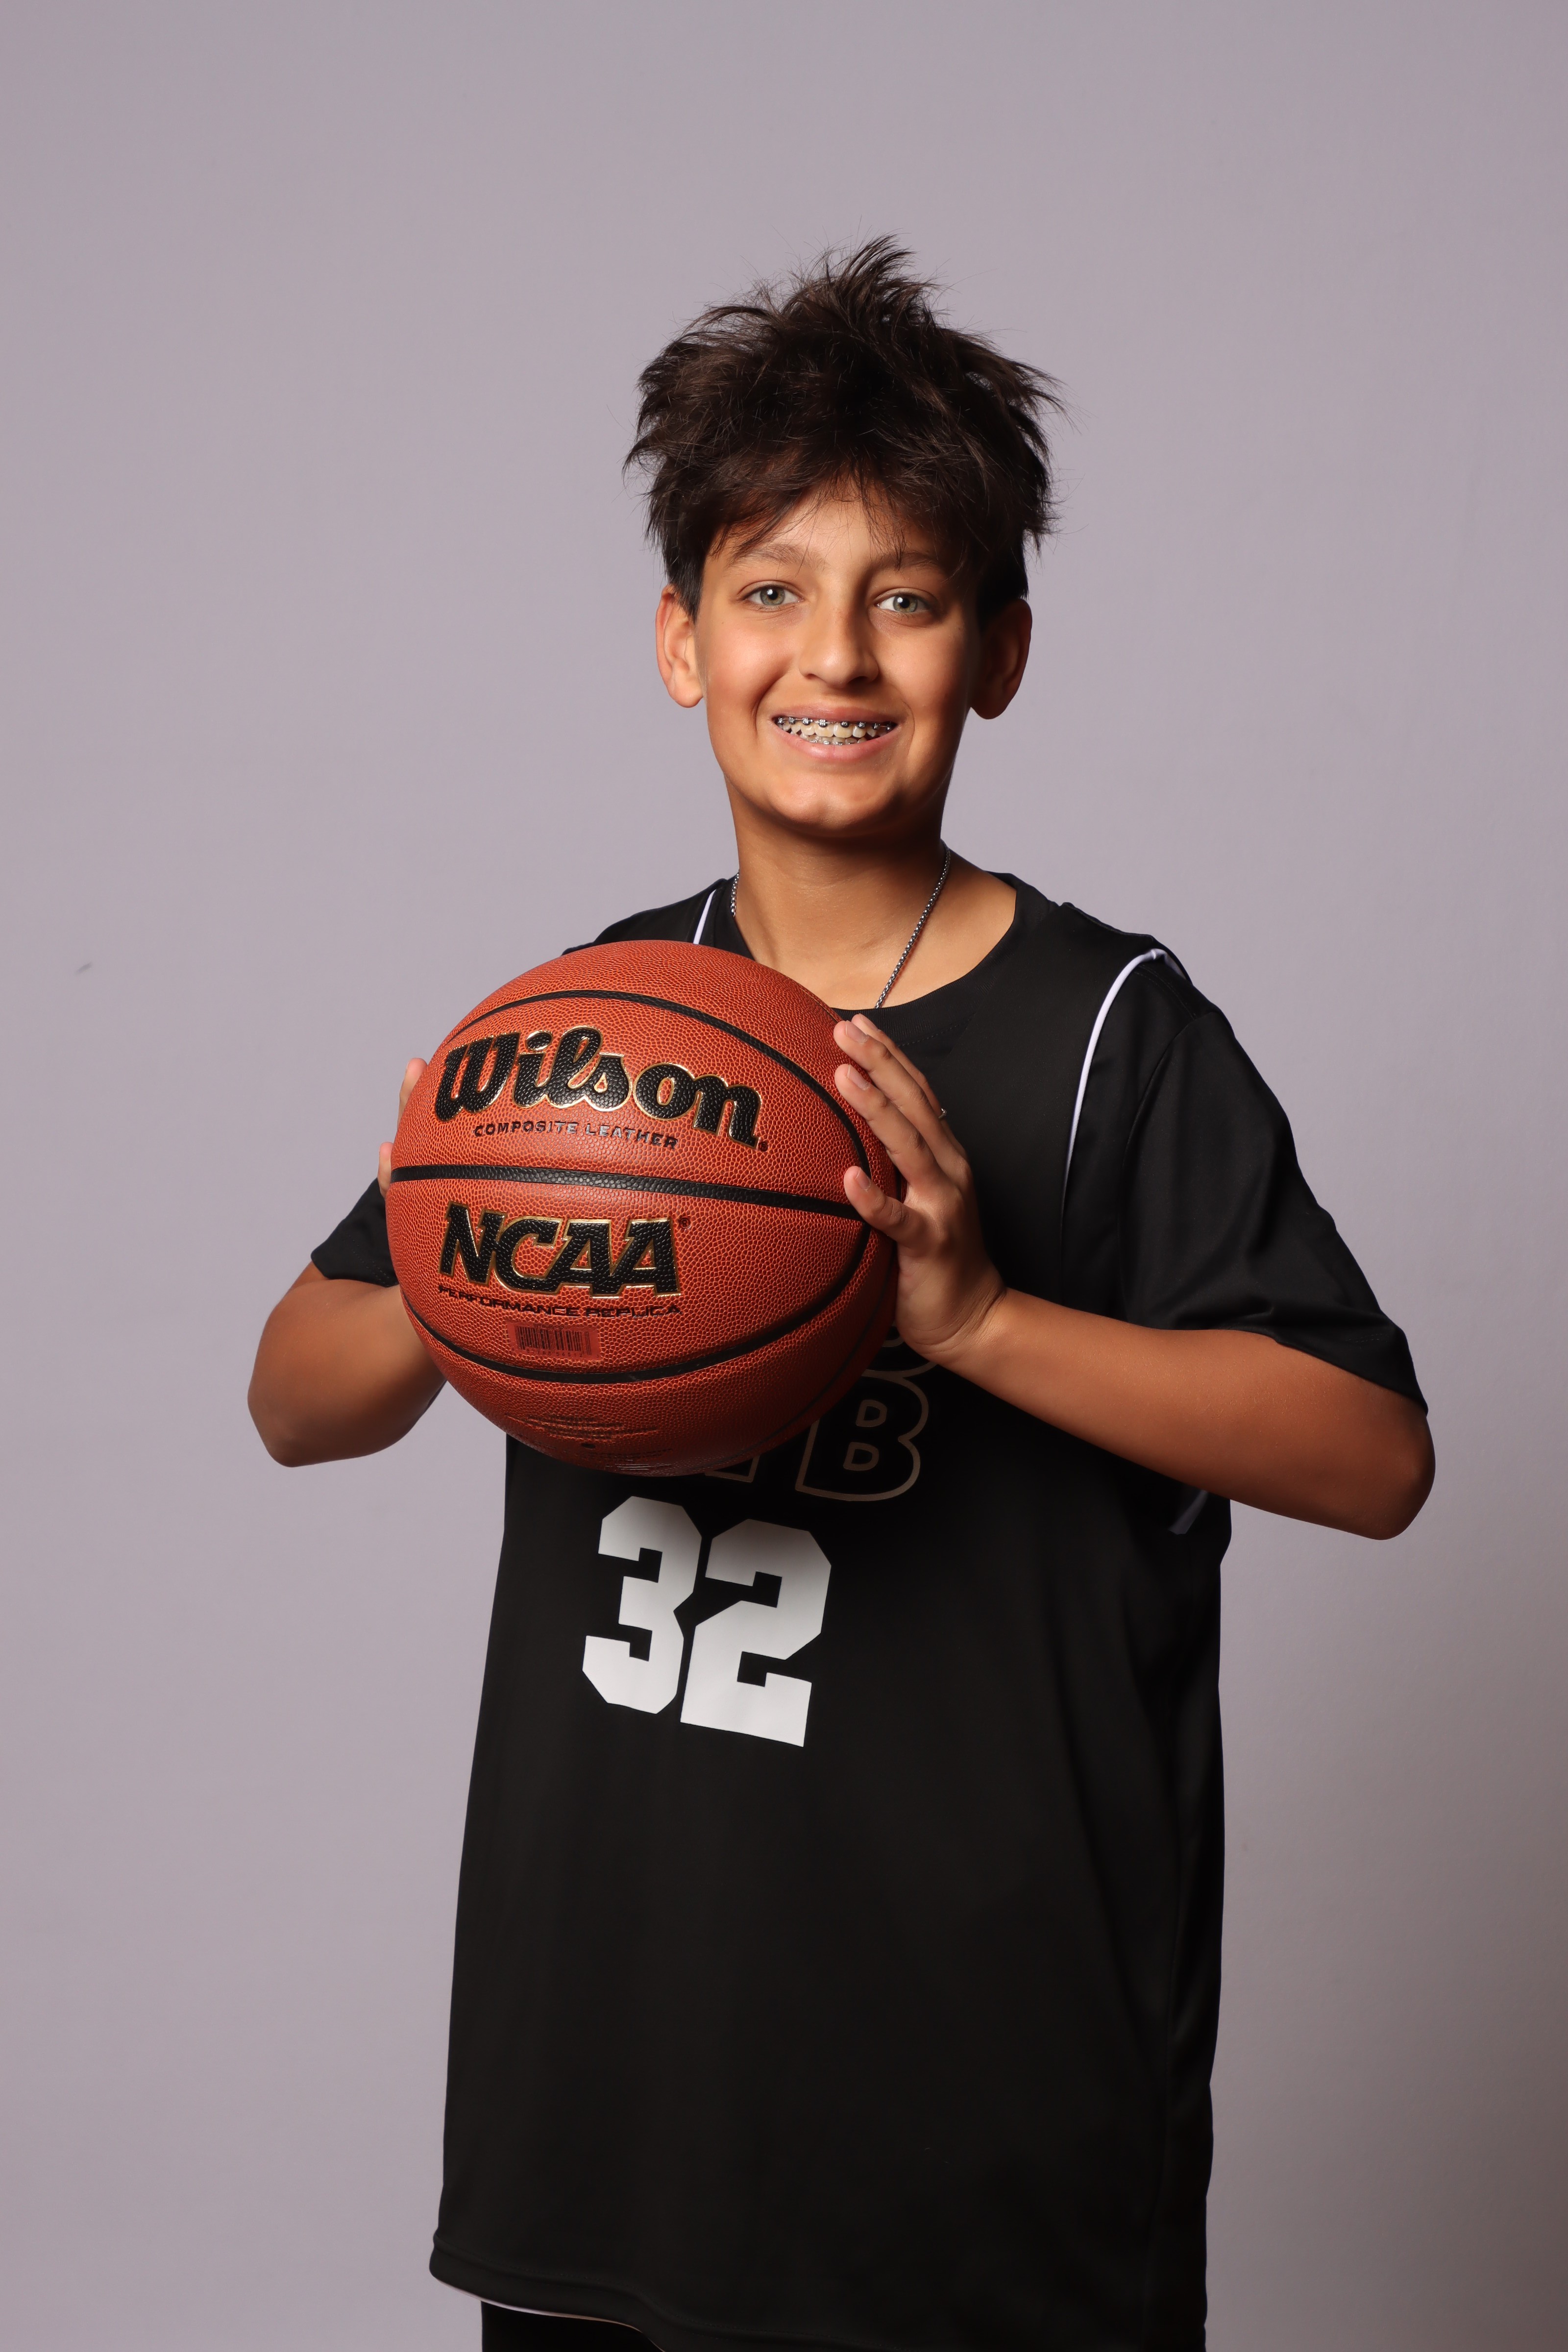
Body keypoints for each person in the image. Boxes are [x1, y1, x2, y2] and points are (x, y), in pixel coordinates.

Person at [249, 241, 1432, 2352]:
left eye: (908, 597)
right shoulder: (585, 1034)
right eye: (770, 589)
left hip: (984, 2107)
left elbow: (1371, 1459)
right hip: (611, 2087)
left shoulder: (1114, 1036)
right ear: (679, 641)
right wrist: (482, 1247)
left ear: (1000, 651)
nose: (835, 655)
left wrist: (976, 1324)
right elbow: (294, 1397)